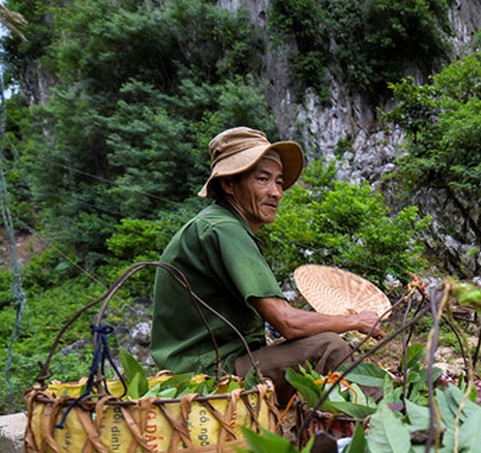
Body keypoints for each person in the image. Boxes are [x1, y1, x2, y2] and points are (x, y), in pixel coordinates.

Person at [150, 127, 380, 404]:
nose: (276, 193)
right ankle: (382, 426)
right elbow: (286, 322)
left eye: (279, 182)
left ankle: (327, 437)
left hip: (204, 368)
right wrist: (355, 320)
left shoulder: (214, 226)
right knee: (328, 347)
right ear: (229, 184)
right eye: (263, 180)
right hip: (208, 377)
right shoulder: (223, 229)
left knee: (316, 356)